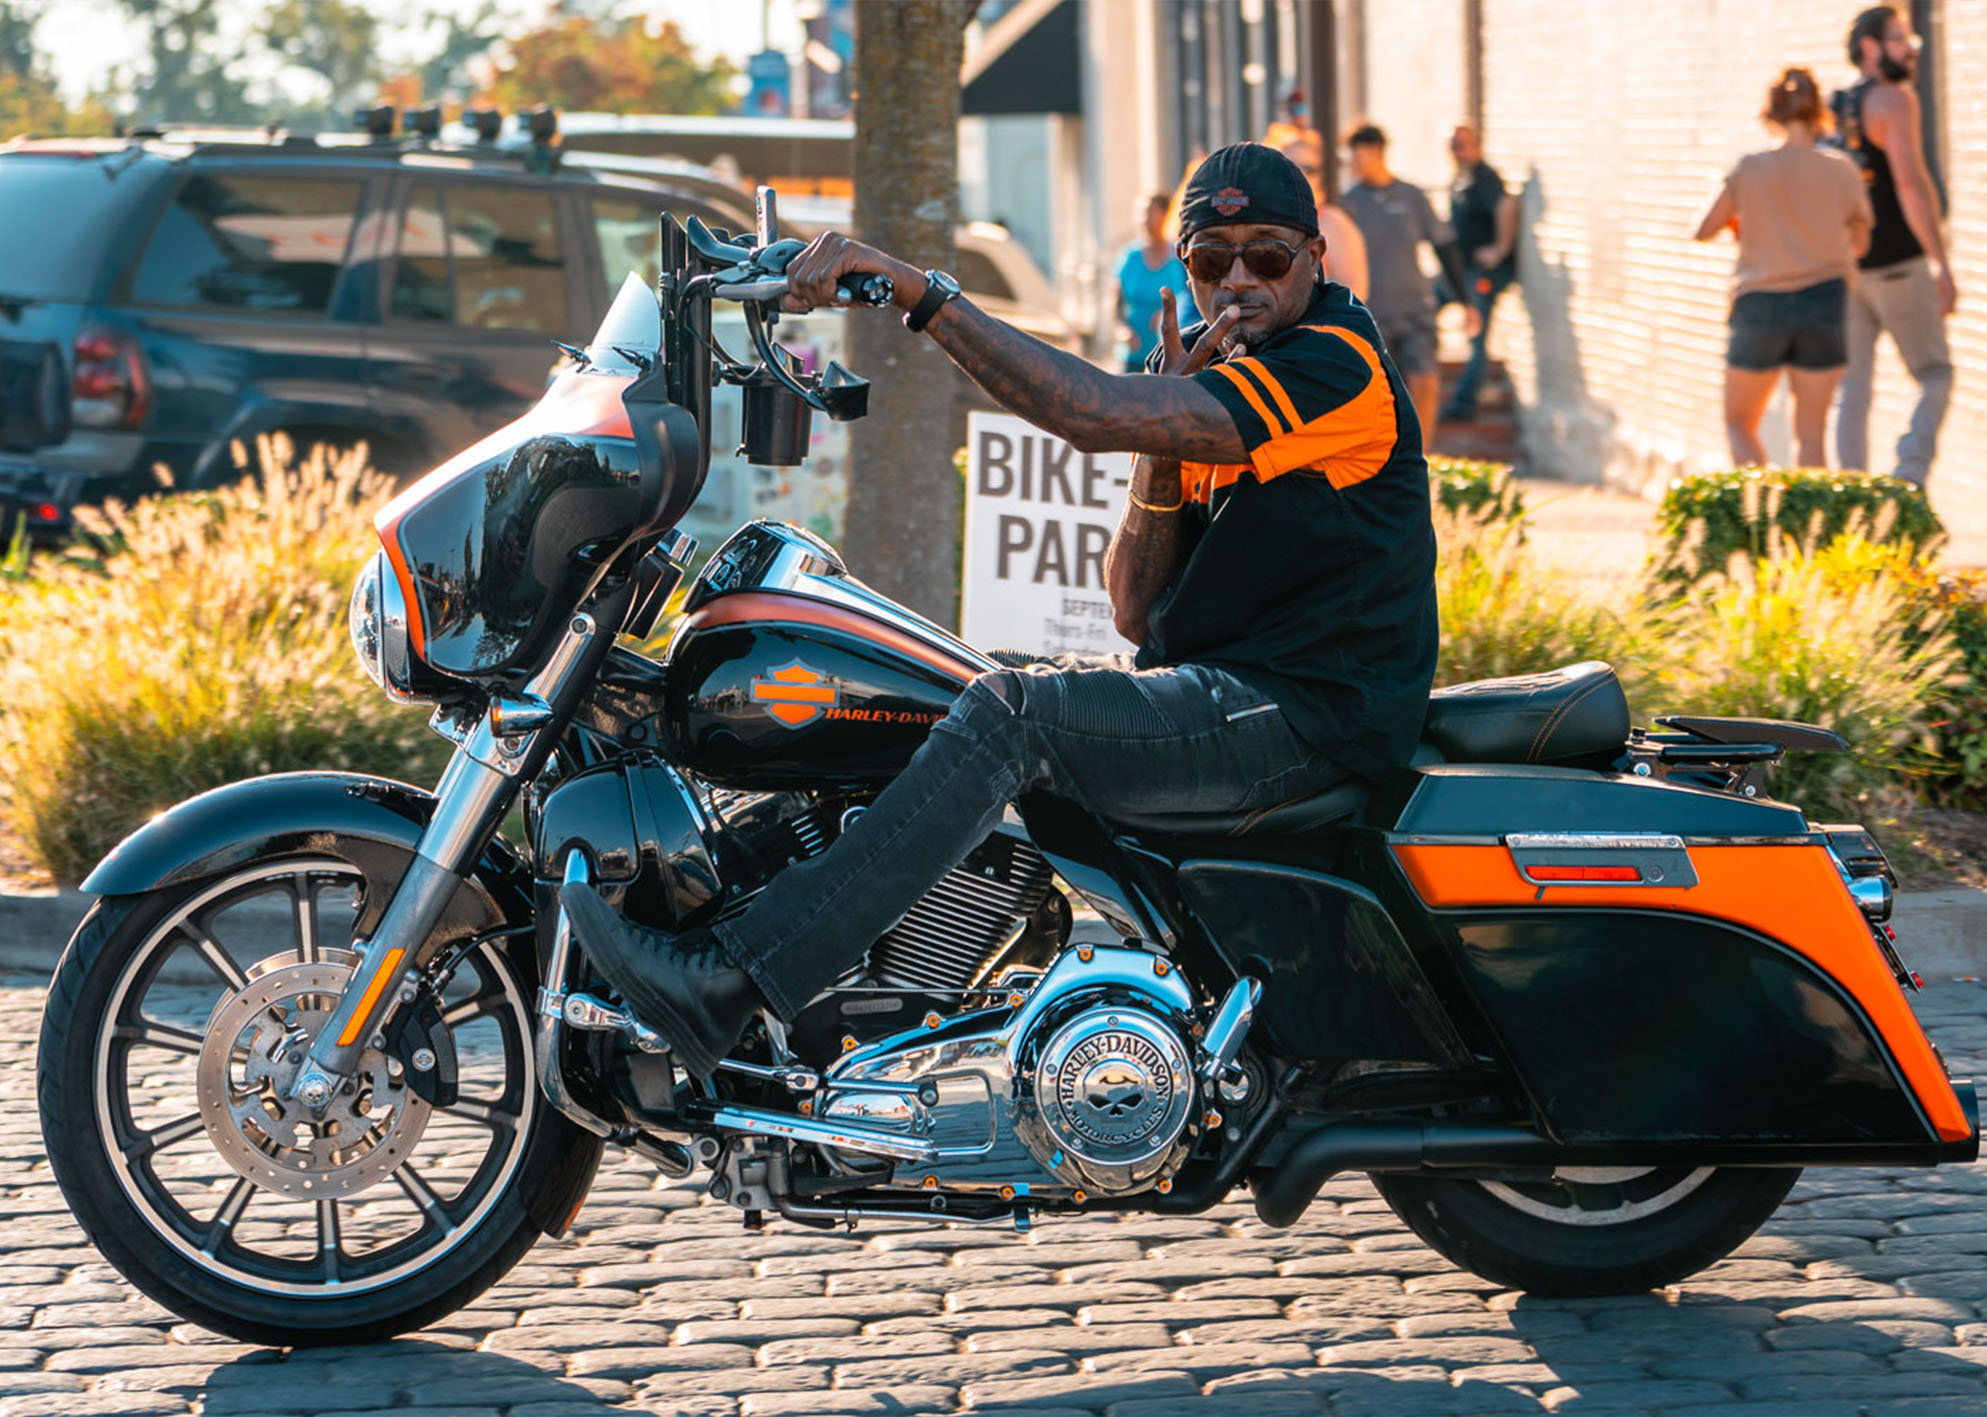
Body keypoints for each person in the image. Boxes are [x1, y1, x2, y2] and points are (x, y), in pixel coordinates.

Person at [559, 143, 1440, 1076]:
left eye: (1264, 255)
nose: (1236, 281)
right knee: (965, 684)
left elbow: (1092, 409)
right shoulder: (1232, 381)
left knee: (1010, 716)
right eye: (1210, 259)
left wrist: (919, 295)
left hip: (1306, 713)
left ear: (1315, 258)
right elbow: (1138, 610)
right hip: (1237, 691)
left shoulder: (1334, 369)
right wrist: (1163, 445)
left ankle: (732, 980)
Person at [1693, 67, 1872, 468]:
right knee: (1810, 435)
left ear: (1769, 114)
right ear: (1818, 114)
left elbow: (1703, 229)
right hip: (1824, 301)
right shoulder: (1842, 170)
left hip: (1760, 304)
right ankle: (1810, 529)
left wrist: (1745, 215)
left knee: (1740, 423)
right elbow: (1860, 243)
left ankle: (1764, 516)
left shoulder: (1750, 169)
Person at [1832, 4, 1955, 485]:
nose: (1911, 49)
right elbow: (1910, 184)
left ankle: (1852, 498)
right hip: (1899, 264)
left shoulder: (1836, 105)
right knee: (1935, 374)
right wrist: (1940, 262)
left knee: (1853, 390)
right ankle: (1908, 478)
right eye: (1901, 39)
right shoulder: (1893, 99)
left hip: (1847, 266)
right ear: (1870, 48)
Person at [1338, 122, 1466, 443]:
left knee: (1425, 378)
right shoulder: (1348, 203)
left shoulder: (1412, 196)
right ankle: (1388, 458)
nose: (1351, 164)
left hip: (1415, 310)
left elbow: (1444, 247)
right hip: (1371, 316)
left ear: (1377, 152)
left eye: (1356, 156)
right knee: (1383, 393)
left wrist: (1465, 301)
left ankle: (1421, 456)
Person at [1437, 125, 1517, 424]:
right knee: (1423, 309)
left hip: (1479, 273)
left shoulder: (1486, 178)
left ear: (1479, 147)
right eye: (1455, 145)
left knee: (1476, 334)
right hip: (1456, 271)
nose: (1460, 151)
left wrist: (1500, 248)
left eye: (1466, 145)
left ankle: (1464, 404)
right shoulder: (1460, 179)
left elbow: (1509, 204)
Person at [1114, 193, 1193, 372]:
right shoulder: (1130, 257)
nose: (1144, 219)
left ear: (1165, 216)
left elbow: (1191, 298)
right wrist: (1123, 330)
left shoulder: (1179, 259)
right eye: (1141, 213)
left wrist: (1166, 314)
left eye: (1150, 212)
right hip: (1133, 355)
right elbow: (1116, 307)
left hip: (1170, 358)